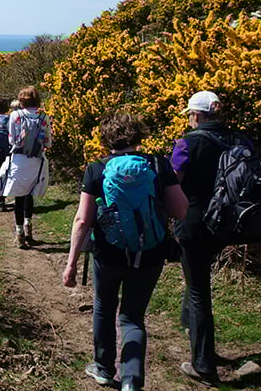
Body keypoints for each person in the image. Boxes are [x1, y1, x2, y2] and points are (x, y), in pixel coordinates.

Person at [63, 113, 188, 391]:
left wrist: (70, 263)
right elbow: (180, 210)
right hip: (151, 253)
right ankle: (131, 380)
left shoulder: (96, 169)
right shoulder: (158, 164)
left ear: (106, 139)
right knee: (132, 318)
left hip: (108, 254)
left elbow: (82, 220)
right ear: (138, 137)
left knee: (104, 309)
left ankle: (105, 369)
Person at [171, 91, 253, 387]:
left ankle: (204, 366)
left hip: (195, 224)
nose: (189, 119)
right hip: (230, 225)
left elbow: (172, 181)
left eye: (191, 114)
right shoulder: (240, 139)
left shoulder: (188, 142)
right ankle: (192, 332)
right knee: (195, 282)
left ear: (199, 115)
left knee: (198, 293)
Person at [2, 86, 52, 248]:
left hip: (19, 159)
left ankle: (19, 235)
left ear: (21, 100)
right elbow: (48, 141)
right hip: (37, 161)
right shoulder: (44, 116)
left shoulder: (15, 115)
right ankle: (29, 228)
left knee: (19, 196)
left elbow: (11, 139)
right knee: (30, 195)